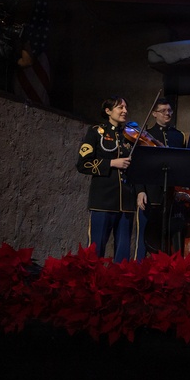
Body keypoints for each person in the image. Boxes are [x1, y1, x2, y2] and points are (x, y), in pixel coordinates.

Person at [76, 96, 138, 262]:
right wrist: (111, 163)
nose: (125, 111)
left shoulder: (130, 135)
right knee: (96, 250)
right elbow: (83, 164)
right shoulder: (96, 132)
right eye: (120, 108)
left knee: (123, 252)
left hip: (126, 201)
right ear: (108, 111)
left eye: (126, 107)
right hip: (103, 200)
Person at [135, 98, 187, 257]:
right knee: (144, 238)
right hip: (150, 195)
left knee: (171, 239)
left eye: (169, 110)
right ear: (154, 114)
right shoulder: (145, 135)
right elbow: (138, 166)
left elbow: (183, 166)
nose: (167, 114)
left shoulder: (179, 136)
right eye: (163, 111)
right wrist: (140, 191)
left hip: (172, 196)